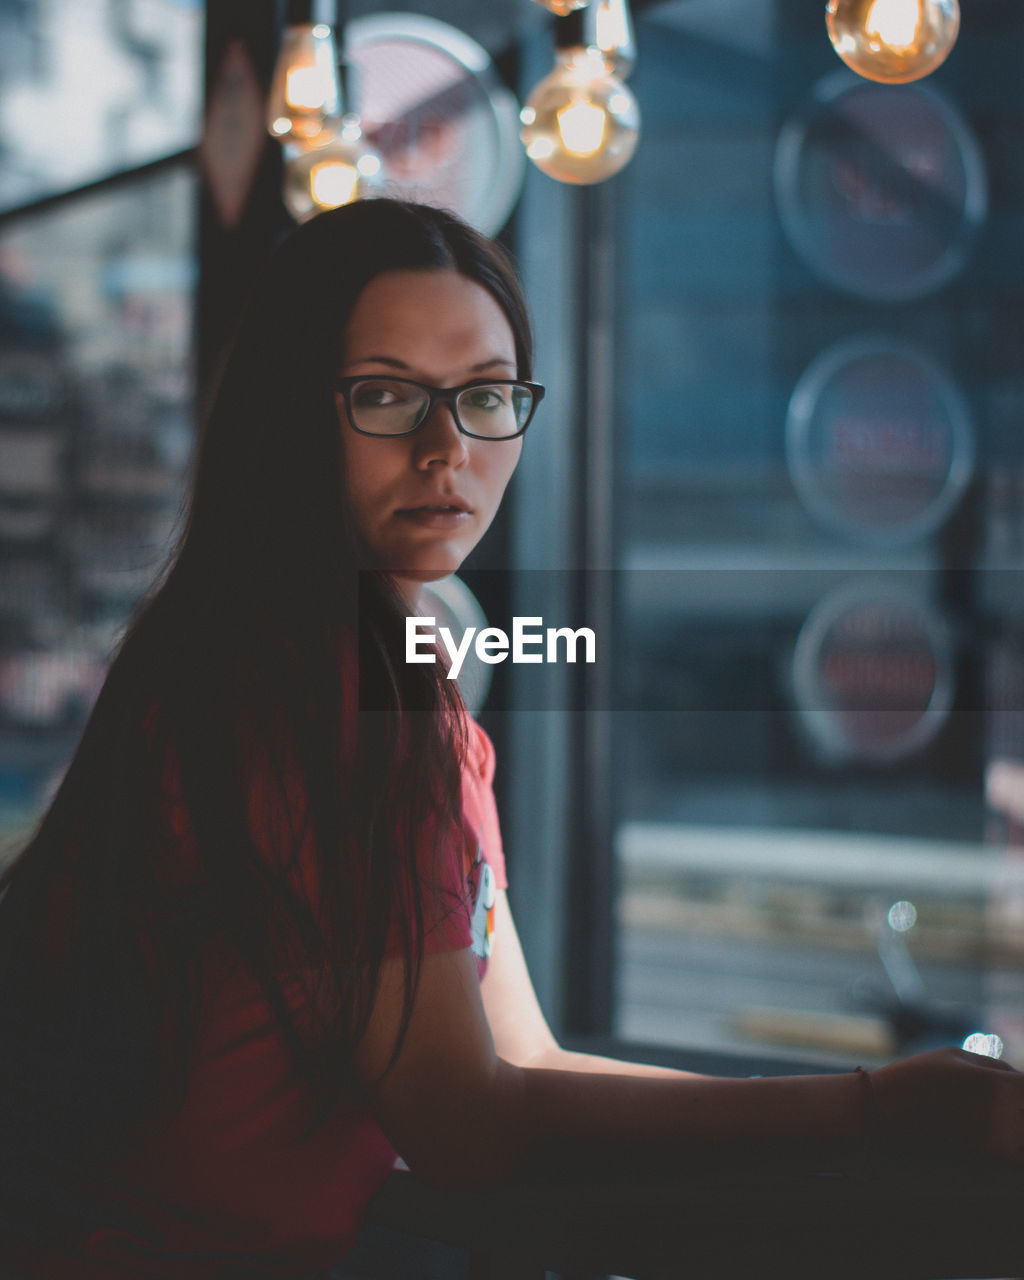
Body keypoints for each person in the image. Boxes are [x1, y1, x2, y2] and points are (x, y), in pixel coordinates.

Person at [0, 197, 1021, 1278]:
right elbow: (466, 1124)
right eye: (387, 395)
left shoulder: (289, 662)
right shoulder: (328, 688)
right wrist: (876, 1107)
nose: (448, 449)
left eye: (485, 395)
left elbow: (522, 1055)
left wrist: (874, 1101)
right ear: (294, 414)